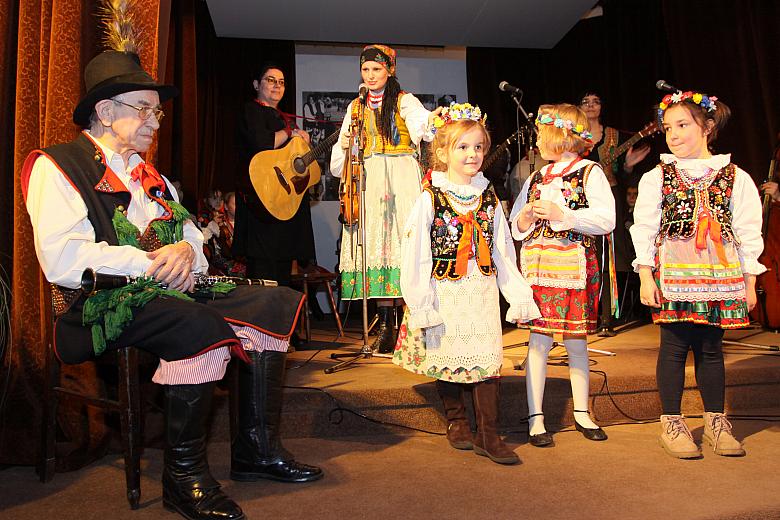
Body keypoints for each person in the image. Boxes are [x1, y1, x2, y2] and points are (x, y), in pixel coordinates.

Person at [22, 50, 322, 520]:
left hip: (170, 290)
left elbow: (193, 242)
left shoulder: (153, 178)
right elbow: (62, 260)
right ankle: (184, 480)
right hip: (99, 302)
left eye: (156, 111)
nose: (155, 122)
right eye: (143, 109)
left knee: (275, 300)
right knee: (196, 325)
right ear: (105, 112)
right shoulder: (57, 166)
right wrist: (151, 263)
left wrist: (186, 253)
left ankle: (256, 451)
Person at [393, 103, 540, 464]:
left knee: (488, 360)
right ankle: (457, 420)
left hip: (481, 290)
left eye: (478, 147)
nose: (472, 154)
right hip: (446, 291)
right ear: (442, 152)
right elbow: (415, 253)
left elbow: (503, 250)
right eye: (462, 147)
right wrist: (421, 301)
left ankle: (488, 435)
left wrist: (517, 294)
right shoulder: (431, 198)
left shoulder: (488, 197)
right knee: (449, 356)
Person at [630, 90, 762, 459]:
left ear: (707, 126)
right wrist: (645, 275)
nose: (673, 134)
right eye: (668, 127)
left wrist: (750, 280)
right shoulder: (658, 176)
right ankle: (672, 423)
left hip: (719, 275)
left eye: (683, 125)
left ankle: (716, 423)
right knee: (673, 347)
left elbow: (749, 230)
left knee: (711, 349)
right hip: (675, 273)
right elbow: (644, 226)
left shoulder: (736, 176)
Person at [509, 103, 616, 447]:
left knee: (576, 339)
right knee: (538, 341)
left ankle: (583, 412)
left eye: (542, 131)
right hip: (539, 268)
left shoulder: (590, 172)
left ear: (559, 133)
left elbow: (606, 220)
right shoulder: (537, 177)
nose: (538, 138)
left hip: (574, 267)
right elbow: (516, 225)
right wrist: (525, 217)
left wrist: (563, 214)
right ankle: (536, 416)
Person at [330, 44, 436, 353]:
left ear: (390, 70)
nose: (371, 75)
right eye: (366, 69)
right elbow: (339, 164)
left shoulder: (405, 101)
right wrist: (348, 142)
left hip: (402, 178)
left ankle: (412, 322)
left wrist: (432, 122)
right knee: (379, 246)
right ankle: (386, 325)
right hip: (370, 178)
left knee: (406, 245)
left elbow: (423, 128)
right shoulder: (356, 107)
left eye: (377, 69)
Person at [233, 63, 317, 289]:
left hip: (284, 205)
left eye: (281, 82)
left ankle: (280, 323)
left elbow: (295, 167)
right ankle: (260, 324)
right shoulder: (250, 111)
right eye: (271, 80)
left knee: (282, 273)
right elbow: (264, 143)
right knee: (262, 273)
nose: (277, 86)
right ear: (256, 85)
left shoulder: (284, 119)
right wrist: (291, 133)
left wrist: (304, 147)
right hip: (261, 203)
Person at [579, 92, 651, 335]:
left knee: (608, 255)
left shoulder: (613, 136)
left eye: (596, 101)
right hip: (580, 200)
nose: (590, 106)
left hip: (609, 197)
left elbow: (621, 173)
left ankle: (607, 316)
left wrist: (628, 165)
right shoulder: (572, 134)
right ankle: (585, 313)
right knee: (585, 254)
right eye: (585, 102)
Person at [204, 191, 246, 277]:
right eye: (235, 204)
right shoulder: (219, 223)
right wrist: (213, 225)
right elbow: (204, 239)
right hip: (227, 261)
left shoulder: (246, 223)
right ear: (226, 206)